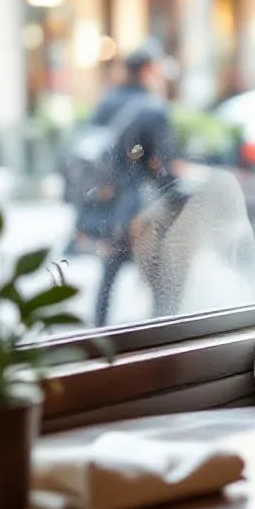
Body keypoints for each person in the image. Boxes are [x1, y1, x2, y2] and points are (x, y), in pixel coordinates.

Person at [80, 41, 178, 326]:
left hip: (108, 201)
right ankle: (161, 335)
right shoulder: (152, 108)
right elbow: (163, 164)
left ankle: (98, 332)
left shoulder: (107, 102)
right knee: (160, 274)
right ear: (148, 70)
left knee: (110, 271)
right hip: (139, 206)